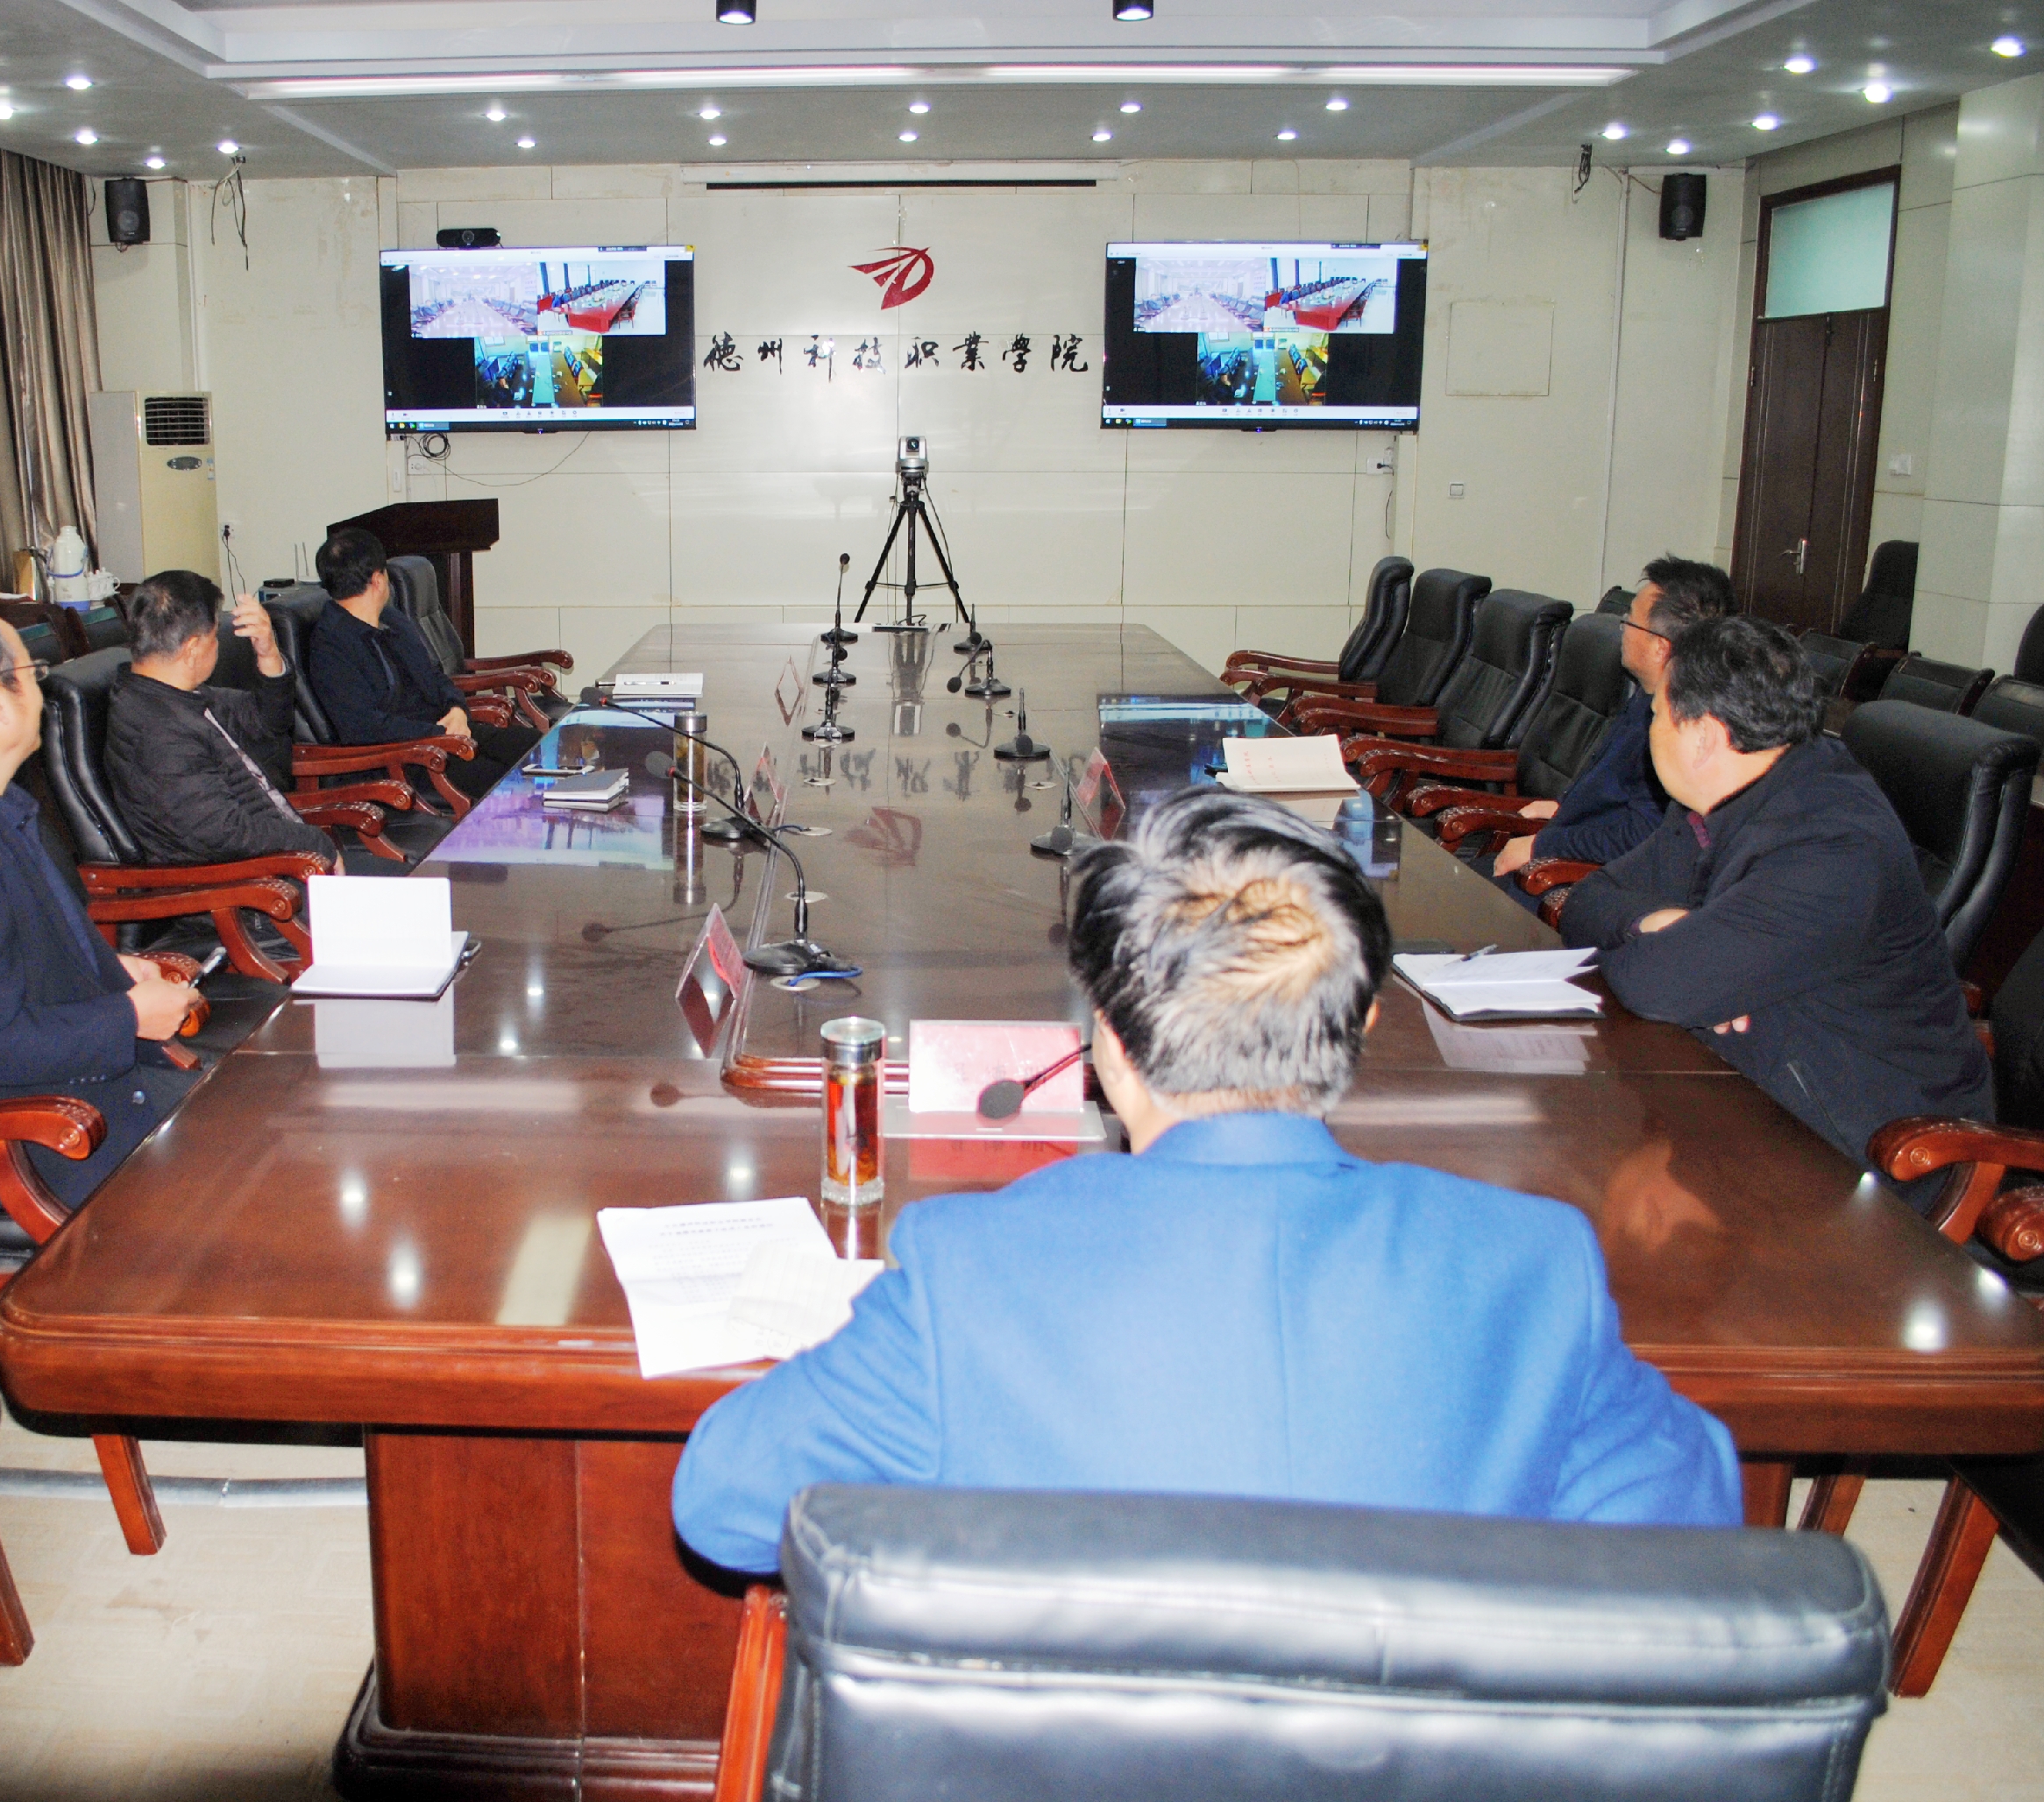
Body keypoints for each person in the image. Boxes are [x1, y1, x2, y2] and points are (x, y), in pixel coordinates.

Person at [670, 788, 1741, 1577]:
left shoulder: (976, 1267)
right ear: (1363, 1028)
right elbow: (1694, 1526)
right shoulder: (1532, 1270)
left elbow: (722, 1500)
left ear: (1103, 1048)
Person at [1559, 614, 1992, 1194]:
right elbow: (1587, 902)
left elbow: (1656, 984)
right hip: (1749, 1097)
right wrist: (1653, 923)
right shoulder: (1712, 802)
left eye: (1658, 715)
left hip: (1874, 1162)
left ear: (1705, 735)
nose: (1650, 729)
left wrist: (1678, 962)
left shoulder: (1835, 845)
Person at [0, 604, 203, 1212]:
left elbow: (16, 958)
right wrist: (127, 1017)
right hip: (20, 1136)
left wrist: (114, 973)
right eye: (31, 672)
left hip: (74, 1096)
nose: (42, 690)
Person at [1490, 555, 1737, 893]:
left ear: (1659, 649)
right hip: (1567, 841)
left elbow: (1642, 835)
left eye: (1630, 621)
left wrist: (1542, 847)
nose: (1622, 628)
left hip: (1580, 881)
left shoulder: (1676, 730)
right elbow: (1617, 795)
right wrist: (1566, 807)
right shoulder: (1646, 699)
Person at [106, 569, 344, 872]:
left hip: (283, 863)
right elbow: (225, 832)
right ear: (193, 648)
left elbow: (268, 721)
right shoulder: (156, 730)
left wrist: (268, 652)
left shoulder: (174, 696)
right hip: (252, 898)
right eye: (215, 634)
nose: (218, 644)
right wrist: (319, 845)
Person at [305, 528, 533, 791]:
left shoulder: (391, 620)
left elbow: (434, 676)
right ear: (378, 580)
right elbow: (364, 728)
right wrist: (439, 735)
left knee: (537, 749)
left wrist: (457, 709)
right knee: (515, 785)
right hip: (405, 758)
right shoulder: (331, 646)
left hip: (444, 734)